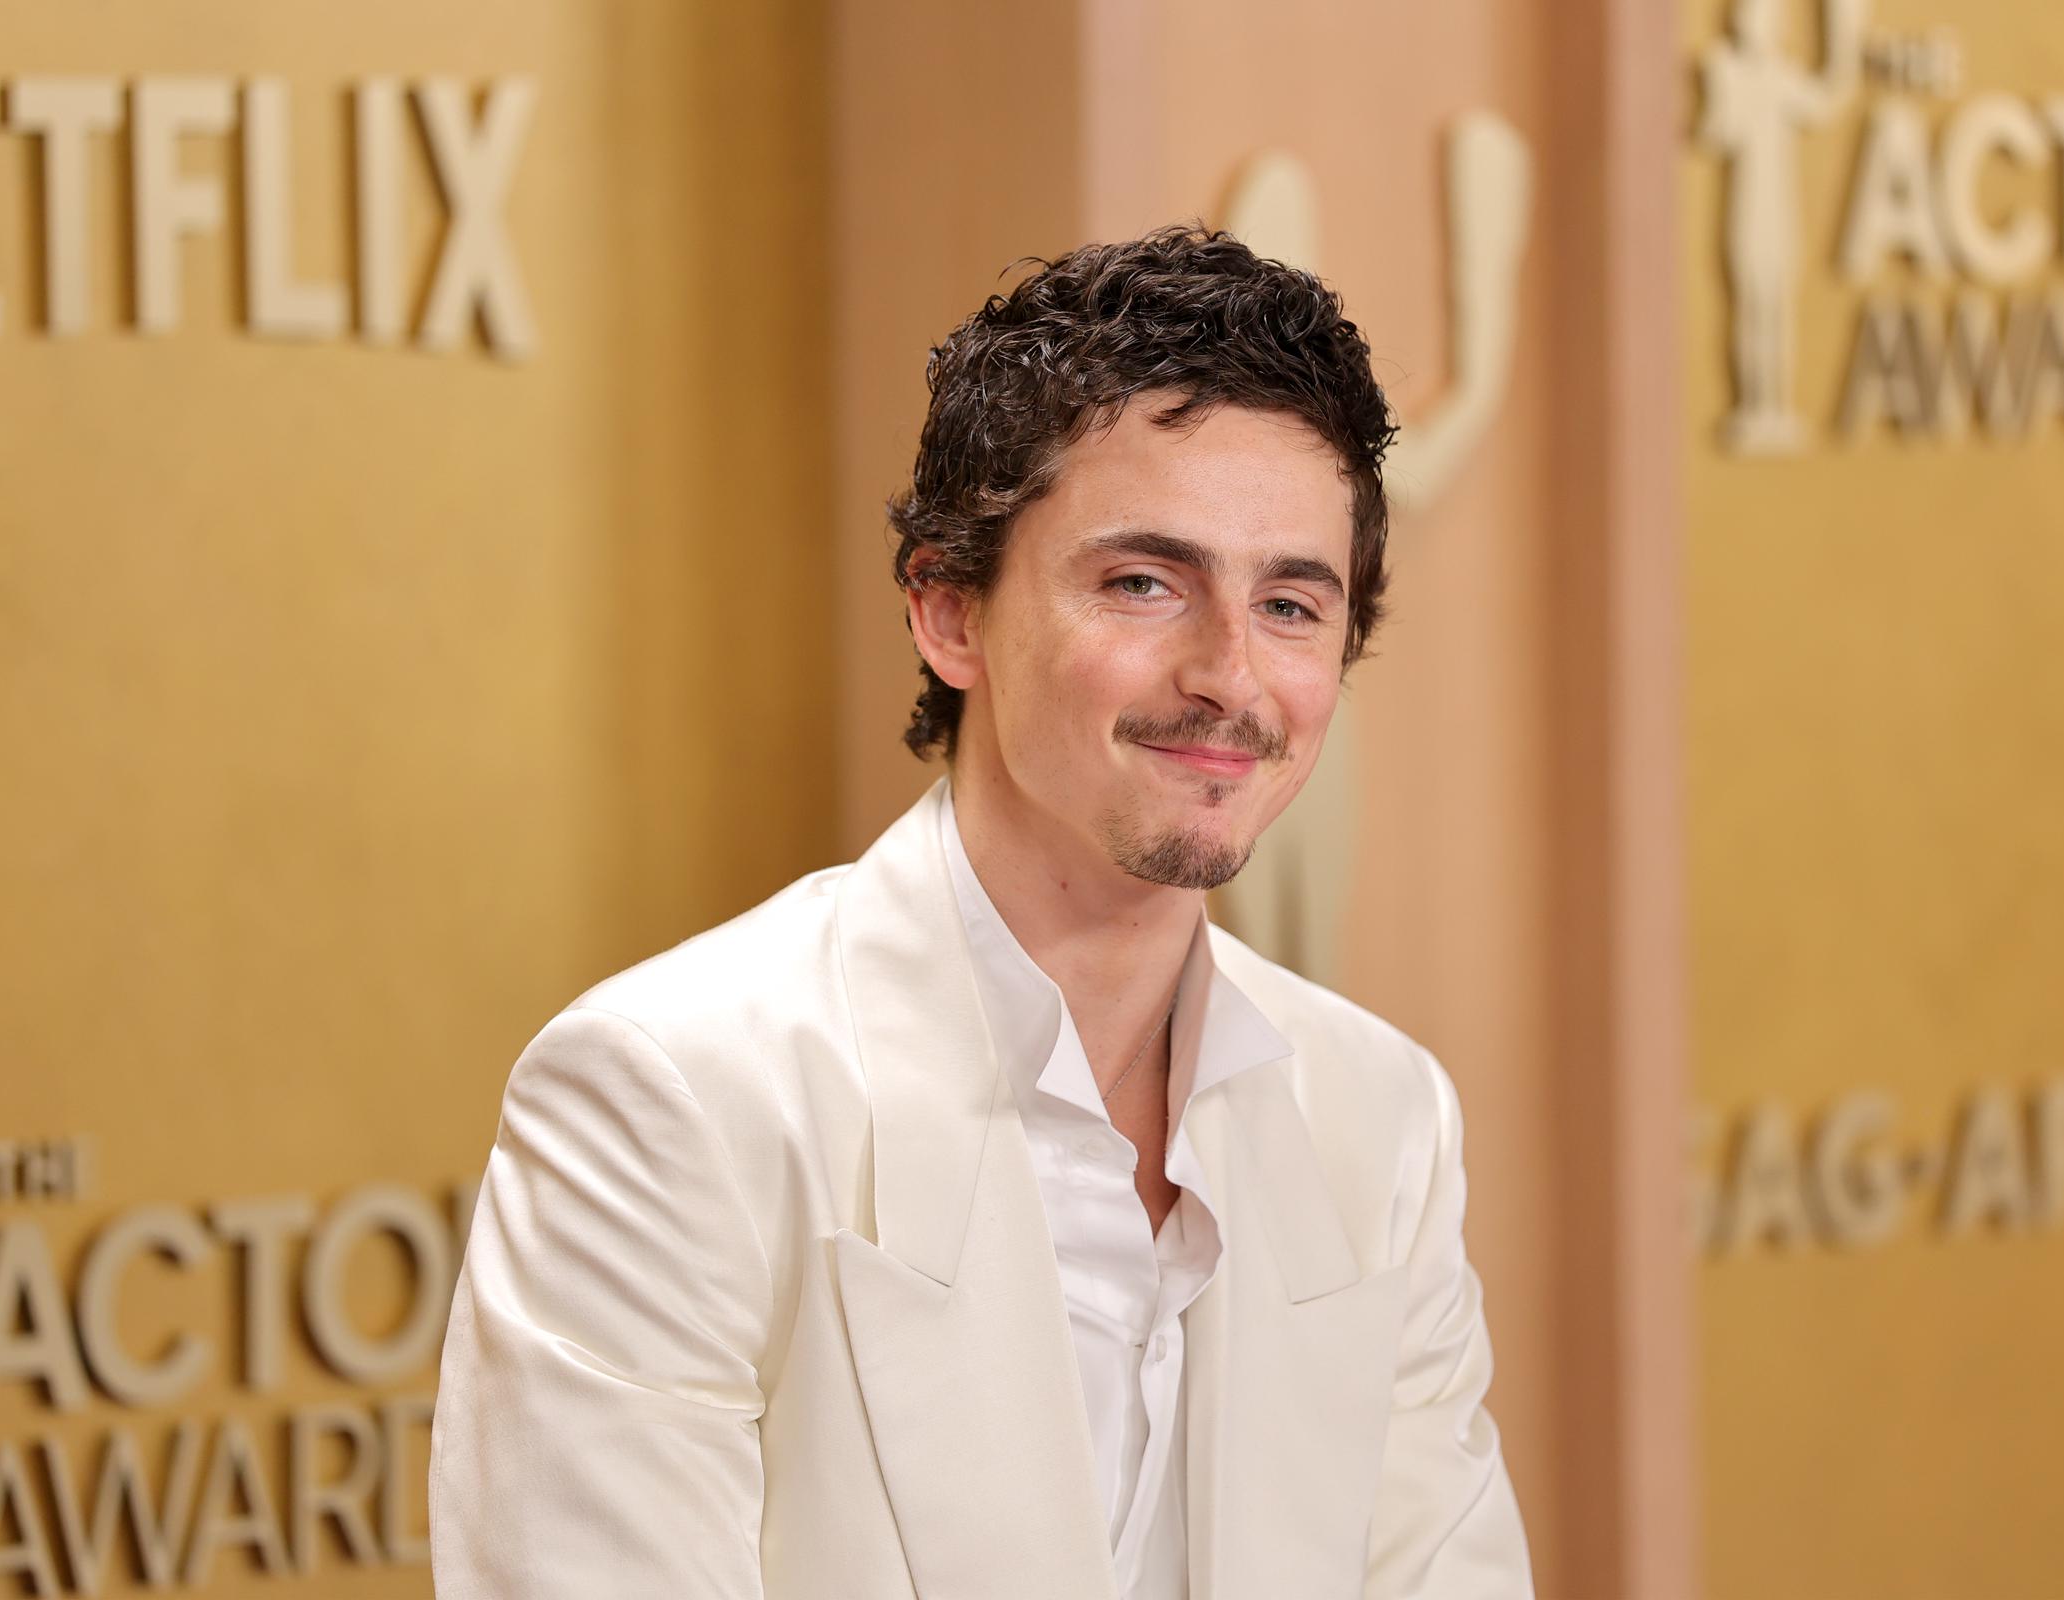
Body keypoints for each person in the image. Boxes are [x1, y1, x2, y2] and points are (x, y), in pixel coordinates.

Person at [430, 225, 1532, 1598]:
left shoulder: (1381, 1118)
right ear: (949, 612)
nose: (1230, 677)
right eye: (1145, 582)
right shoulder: (667, 1099)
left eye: (1293, 603)